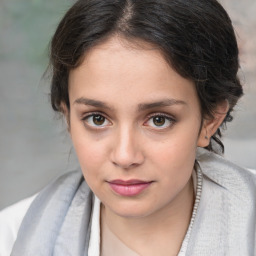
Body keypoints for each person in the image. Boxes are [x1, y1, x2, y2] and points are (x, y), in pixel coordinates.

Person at [0, 0, 255, 255]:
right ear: (68, 117)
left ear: (210, 119)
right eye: (97, 119)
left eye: (158, 120)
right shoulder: (13, 237)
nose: (125, 156)